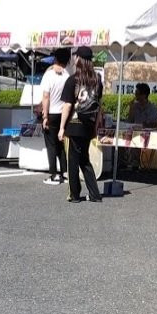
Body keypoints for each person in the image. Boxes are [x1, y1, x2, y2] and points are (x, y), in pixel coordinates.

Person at [58, 45, 104, 203]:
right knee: (84, 159)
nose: (74, 59)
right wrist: (96, 126)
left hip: (74, 124)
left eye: (76, 56)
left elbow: (68, 105)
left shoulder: (73, 80)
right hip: (89, 125)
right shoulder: (97, 80)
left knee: (72, 161)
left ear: (79, 59)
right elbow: (99, 105)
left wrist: (62, 127)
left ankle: (74, 194)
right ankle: (94, 194)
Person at [40, 47, 70, 185]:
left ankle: (53, 174)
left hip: (51, 113)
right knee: (61, 144)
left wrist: (44, 116)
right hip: (63, 114)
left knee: (51, 145)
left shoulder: (49, 75)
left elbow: (46, 96)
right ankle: (64, 172)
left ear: (55, 59)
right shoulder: (67, 76)